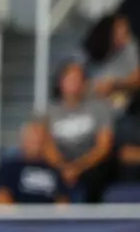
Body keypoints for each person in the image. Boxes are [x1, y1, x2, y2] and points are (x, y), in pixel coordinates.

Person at [42, 60, 115, 203]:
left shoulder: (99, 107)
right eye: (69, 78)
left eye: (77, 79)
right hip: (61, 165)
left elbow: (104, 146)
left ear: (84, 83)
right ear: (60, 82)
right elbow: (47, 145)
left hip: (91, 165)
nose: (73, 83)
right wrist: (64, 168)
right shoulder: (50, 111)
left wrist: (77, 168)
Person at [0, 119, 66, 205]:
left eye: (40, 137)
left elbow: (62, 201)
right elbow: (1, 197)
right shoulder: (8, 167)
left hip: (49, 216)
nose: (36, 142)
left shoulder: (54, 169)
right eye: (32, 137)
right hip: (18, 216)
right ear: (23, 140)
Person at [91, 15, 140, 106]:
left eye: (126, 32)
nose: (124, 36)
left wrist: (115, 84)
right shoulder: (92, 56)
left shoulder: (130, 45)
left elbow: (138, 79)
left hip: (125, 104)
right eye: (118, 31)